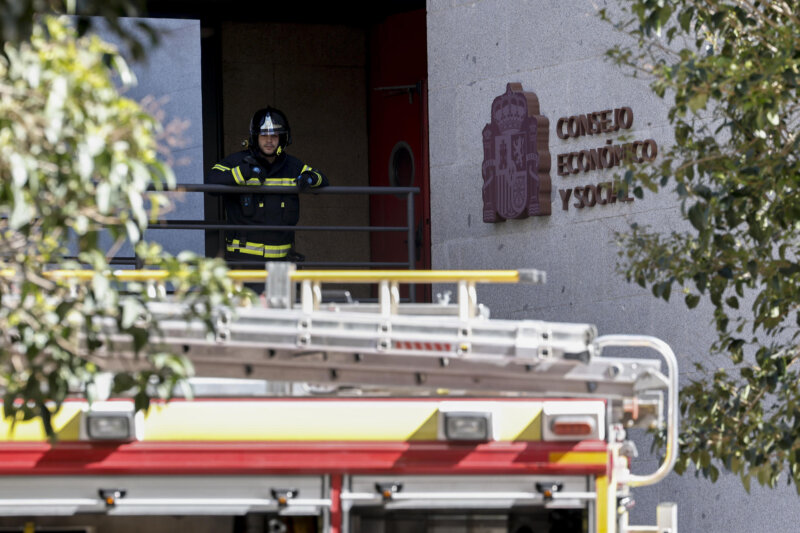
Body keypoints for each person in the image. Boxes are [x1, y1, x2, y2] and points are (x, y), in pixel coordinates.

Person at [208, 106, 328, 262]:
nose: (269, 140)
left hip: (282, 260)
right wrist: (244, 172)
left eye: (275, 135)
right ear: (255, 137)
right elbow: (211, 181)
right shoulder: (237, 161)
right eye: (264, 135)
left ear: (282, 139)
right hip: (244, 259)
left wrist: (309, 178)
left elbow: (322, 179)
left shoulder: (291, 165)